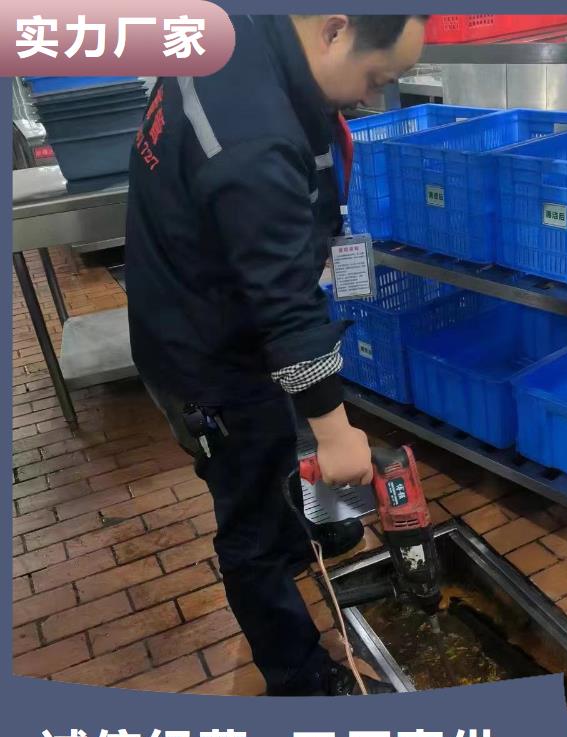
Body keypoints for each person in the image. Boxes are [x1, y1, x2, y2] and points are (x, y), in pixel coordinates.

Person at [124, 14, 427, 695]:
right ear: (334, 31)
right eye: (376, 76)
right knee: (249, 523)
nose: (374, 96)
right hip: (206, 356)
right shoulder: (253, 137)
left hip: (213, 303)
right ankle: (298, 677)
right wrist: (336, 432)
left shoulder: (243, 31)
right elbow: (283, 301)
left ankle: (299, 535)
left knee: (275, 448)